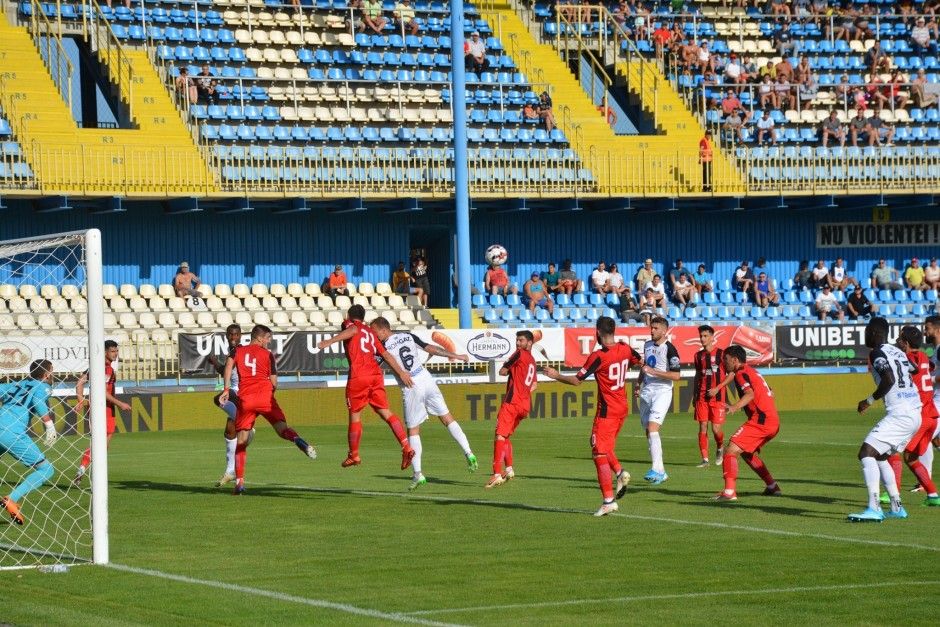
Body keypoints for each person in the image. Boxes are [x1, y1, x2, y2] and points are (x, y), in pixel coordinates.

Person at [543, 317, 641, 516]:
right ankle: (620, 473)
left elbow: (577, 381)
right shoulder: (625, 348)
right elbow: (638, 361)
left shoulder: (598, 356)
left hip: (607, 411)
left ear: (597, 332)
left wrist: (556, 375)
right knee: (601, 444)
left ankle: (608, 500)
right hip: (622, 406)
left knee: (599, 453)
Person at [370, 318, 477, 490]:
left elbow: (377, 362)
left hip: (411, 384)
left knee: (413, 430)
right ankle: (469, 452)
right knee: (447, 417)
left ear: (383, 331)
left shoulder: (382, 347)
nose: (373, 335)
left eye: (374, 331)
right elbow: (431, 348)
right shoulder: (408, 336)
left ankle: (418, 473)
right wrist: (455, 355)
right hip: (426, 378)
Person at [220, 325, 317, 494]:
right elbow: (274, 382)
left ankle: (240, 483)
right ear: (259, 338)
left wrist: (227, 389)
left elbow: (228, 366)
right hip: (265, 397)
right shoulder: (268, 355)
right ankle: (297, 440)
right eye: (268, 338)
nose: (269, 341)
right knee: (282, 430)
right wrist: (269, 394)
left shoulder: (238, 351)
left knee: (241, 442)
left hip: (246, 399)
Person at [317, 306, 416, 470]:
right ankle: (406, 446)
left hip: (359, 376)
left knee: (355, 415)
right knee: (385, 411)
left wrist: (329, 341)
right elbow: (385, 355)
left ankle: (354, 454)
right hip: (376, 376)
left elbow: (352, 329)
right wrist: (401, 373)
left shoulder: (353, 326)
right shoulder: (371, 332)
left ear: (349, 315)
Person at [847, 317, 921, 521]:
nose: (865, 334)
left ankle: (874, 508)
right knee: (880, 457)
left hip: (901, 413)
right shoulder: (896, 351)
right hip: (914, 412)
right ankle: (897, 507)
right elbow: (915, 369)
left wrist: (868, 401)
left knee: (866, 453)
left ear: (874, 332)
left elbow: (888, 379)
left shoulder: (877, 352)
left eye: (867, 330)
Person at [714, 345, 782, 501]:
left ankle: (729, 492)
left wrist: (734, 407)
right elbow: (770, 391)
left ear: (735, 360)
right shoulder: (753, 372)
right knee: (745, 452)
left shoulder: (741, 373)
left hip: (762, 420)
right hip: (772, 421)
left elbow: (750, 394)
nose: (724, 363)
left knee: (730, 449)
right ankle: (772, 486)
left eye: (726, 359)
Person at [883, 326, 940, 506]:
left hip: (920, 414)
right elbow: (929, 368)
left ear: (905, 343)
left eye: (900, 339)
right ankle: (932, 495)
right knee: (911, 457)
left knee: (891, 449)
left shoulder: (905, 359)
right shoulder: (924, 356)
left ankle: (893, 493)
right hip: (932, 414)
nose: (898, 342)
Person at [0, 359, 58, 525]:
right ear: (47, 374)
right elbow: (38, 401)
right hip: (12, 432)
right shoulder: (42, 386)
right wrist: (49, 425)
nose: (52, 375)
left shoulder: (16, 384)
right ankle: (11, 499)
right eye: (51, 372)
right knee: (46, 469)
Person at [74, 340, 132, 485]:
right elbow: (103, 391)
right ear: (105, 352)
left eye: (116, 350)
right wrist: (120, 404)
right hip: (104, 408)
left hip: (96, 408)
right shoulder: (107, 369)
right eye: (112, 351)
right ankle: (94, 474)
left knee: (101, 443)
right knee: (103, 443)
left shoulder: (94, 367)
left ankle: (82, 468)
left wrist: (81, 400)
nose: (115, 353)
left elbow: (79, 383)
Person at [486, 330, 537, 488]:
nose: (517, 343)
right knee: (506, 435)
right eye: (517, 340)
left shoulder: (519, 354)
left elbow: (502, 371)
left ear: (529, 342)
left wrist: (509, 371)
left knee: (499, 435)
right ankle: (508, 469)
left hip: (512, 402)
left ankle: (496, 474)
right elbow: (534, 384)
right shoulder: (532, 360)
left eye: (521, 340)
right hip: (525, 404)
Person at [639, 316, 681, 485]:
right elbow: (645, 367)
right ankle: (661, 472)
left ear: (664, 331)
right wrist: (638, 383)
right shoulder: (647, 345)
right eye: (651, 327)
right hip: (647, 390)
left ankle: (656, 469)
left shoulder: (670, 349)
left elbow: (676, 375)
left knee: (653, 427)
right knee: (648, 431)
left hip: (662, 391)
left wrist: (654, 372)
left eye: (656, 328)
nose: (652, 331)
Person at [207, 324, 243, 486]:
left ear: (240, 335)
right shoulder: (230, 350)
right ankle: (230, 471)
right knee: (230, 432)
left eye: (236, 335)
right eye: (231, 335)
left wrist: (215, 363)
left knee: (218, 399)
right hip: (234, 390)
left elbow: (227, 369)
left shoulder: (239, 350)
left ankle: (244, 421)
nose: (233, 337)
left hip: (242, 391)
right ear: (227, 336)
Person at [693, 326, 726, 468]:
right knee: (703, 426)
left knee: (716, 429)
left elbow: (731, 374)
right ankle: (705, 459)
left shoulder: (722, 354)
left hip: (717, 397)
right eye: (701, 336)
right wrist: (694, 395)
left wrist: (718, 388)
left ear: (713, 337)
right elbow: (697, 376)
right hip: (702, 396)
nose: (702, 339)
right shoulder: (698, 356)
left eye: (706, 336)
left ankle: (720, 447)